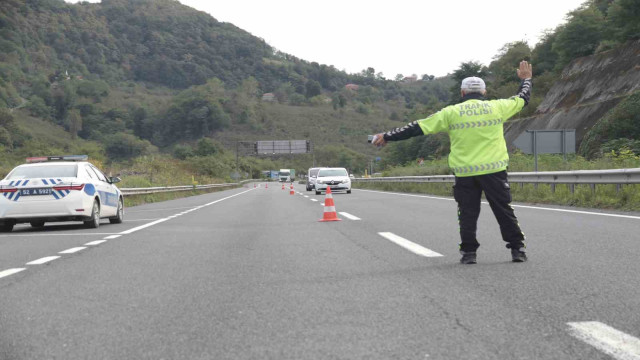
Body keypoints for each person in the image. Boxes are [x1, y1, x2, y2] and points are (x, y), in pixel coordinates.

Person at [372, 60, 533, 264]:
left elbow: (417, 127)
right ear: (484, 92)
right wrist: (526, 79)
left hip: (465, 173)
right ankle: (517, 249)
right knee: (503, 210)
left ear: (462, 93)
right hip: (494, 170)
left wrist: (387, 135)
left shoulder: (450, 112)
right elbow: (522, 98)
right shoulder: (498, 107)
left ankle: (468, 253)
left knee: (467, 214)